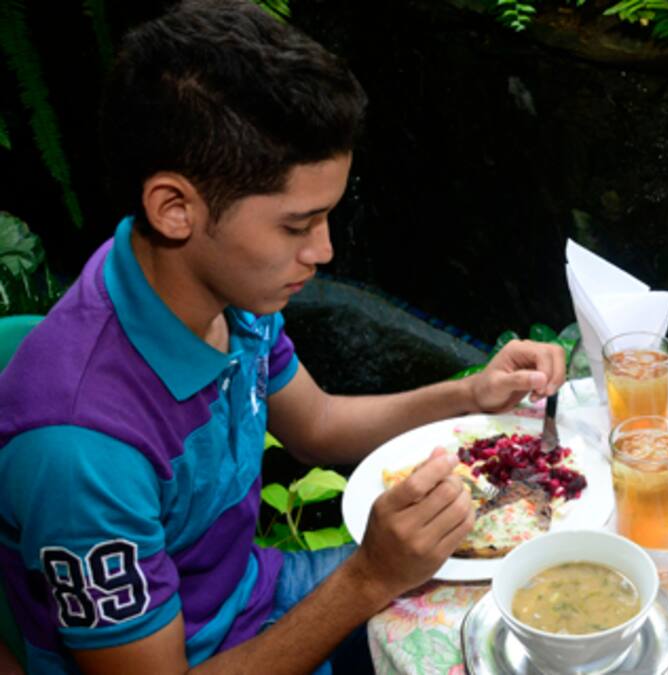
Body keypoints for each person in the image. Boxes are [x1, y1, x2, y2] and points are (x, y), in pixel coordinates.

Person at [0, 1, 565, 673]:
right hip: (206, 655)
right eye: (297, 226)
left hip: (258, 594)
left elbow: (318, 425)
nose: (323, 251)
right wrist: (369, 577)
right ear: (174, 209)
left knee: (539, 590)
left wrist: (470, 393)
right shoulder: (82, 452)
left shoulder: (211, 286)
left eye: (327, 218)